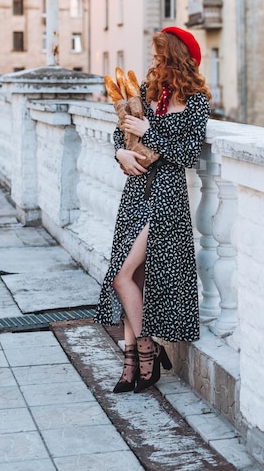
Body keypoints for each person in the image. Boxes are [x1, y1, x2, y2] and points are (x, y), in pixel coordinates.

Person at [94, 26, 211, 393]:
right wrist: (121, 152)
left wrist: (150, 132)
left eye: (161, 56)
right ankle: (133, 361)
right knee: (134, 277)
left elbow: (188, 155)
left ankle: (146, 350)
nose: (155, 61)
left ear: (177, 59)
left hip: (166, 197)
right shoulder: (148, 92)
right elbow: (121, 130)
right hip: (136, 192)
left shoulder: (196, 102)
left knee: (121, 275)